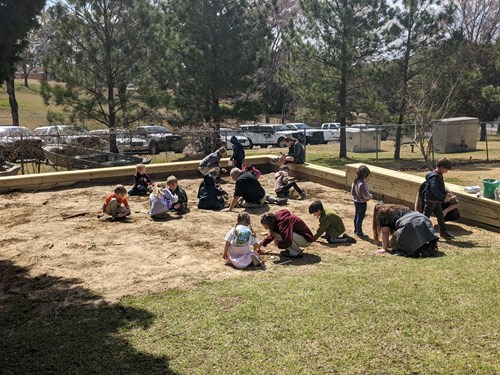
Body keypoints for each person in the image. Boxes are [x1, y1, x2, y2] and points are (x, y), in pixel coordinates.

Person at [373, 203, 439, 257]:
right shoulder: (400, 207)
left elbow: (385, 231)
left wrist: (384, 248)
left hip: (408, 223)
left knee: (393, 244)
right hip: (423, 218)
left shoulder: (381, 213)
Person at [222, 168, 287, 212]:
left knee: (240, 203)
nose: (233, 179)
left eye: (233, 177)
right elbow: (247, 190)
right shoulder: (247, 174)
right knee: (260, 194)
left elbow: (236, 197)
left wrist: (230, 208)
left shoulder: (240, 181)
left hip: (256, 203)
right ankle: (273, 199)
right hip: (263, 195)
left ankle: (263, 202)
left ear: (235, 175)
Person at [421, 158, 455, 239]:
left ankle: (443, 233)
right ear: (441, 167)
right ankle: (420, 233)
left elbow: (440, 188)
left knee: (440, 216)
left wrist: (446, 194)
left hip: (436, 201)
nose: (446, 171)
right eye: (446, 169)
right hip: (431, 200)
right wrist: (443, 198)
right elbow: (434, 189)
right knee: (425, 217)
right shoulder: (434, 177)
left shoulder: (438, 175)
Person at [351, 165, 373, 238]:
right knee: (360, 217)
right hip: (362, 203)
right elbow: (365, 195)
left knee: (356, 215)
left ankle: (356, 229)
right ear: (364, 175)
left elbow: (352, 191)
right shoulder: (362, 184)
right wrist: (370, 196)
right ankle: (359, 232)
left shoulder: (355, 181)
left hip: (356, 201)